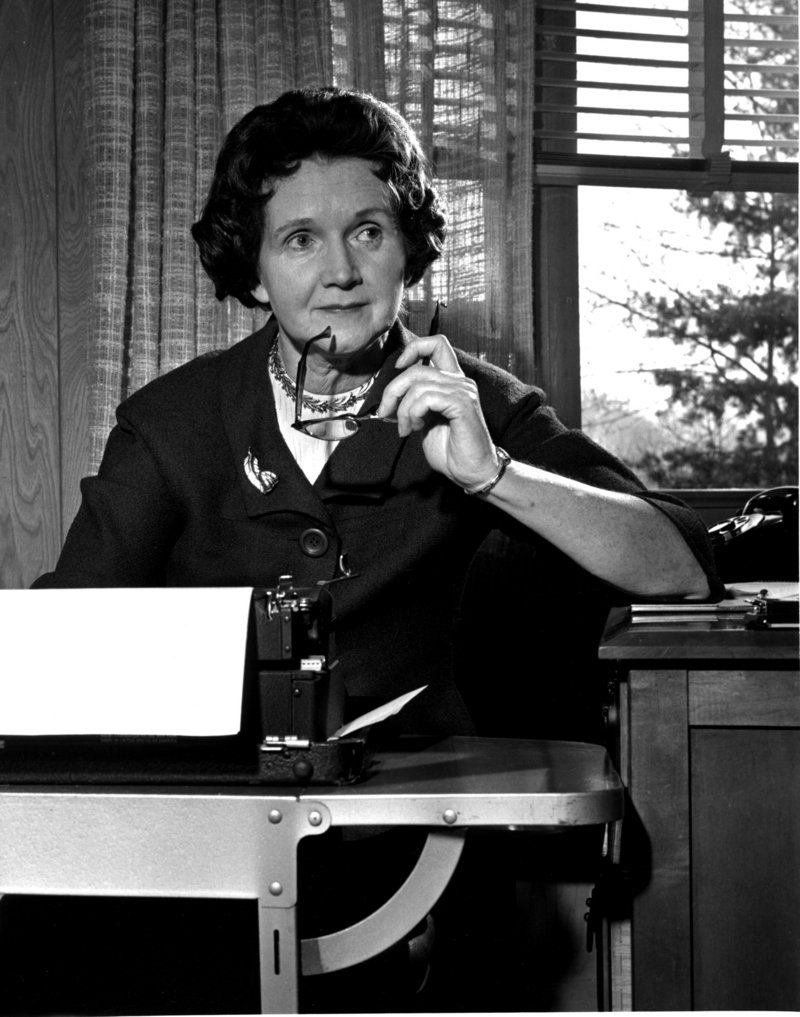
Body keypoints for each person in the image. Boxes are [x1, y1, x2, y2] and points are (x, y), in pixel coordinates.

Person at [19, 86, 722, 1014]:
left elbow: (677, 565)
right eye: (300, 239)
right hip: (205, 852)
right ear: (257, 271)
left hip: (417, 850)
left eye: (369, 231)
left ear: (409, 251)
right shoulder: (171, 424)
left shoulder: (478, 401)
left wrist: (490, 471)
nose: (341, 271)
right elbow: (63, 651)